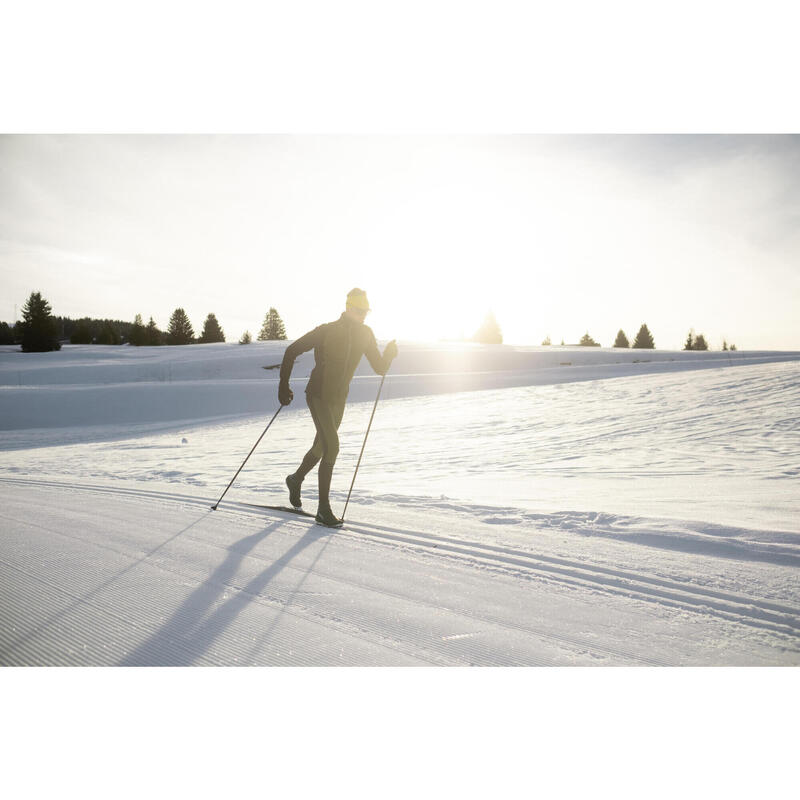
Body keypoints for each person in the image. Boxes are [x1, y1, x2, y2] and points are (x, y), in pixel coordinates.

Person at [278, 288, 398, 527]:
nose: (363, 315)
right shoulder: (327, 330)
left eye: (366, 311)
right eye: (360, 310)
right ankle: (323, 510)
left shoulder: (366, 334)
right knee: (332, 446)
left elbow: (380, 367)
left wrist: (390, 355)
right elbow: (291, 351)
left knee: (322, 447)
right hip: (318, 394)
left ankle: (295, 479)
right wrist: (283, 386)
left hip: (339, 399)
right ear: (348, 308)